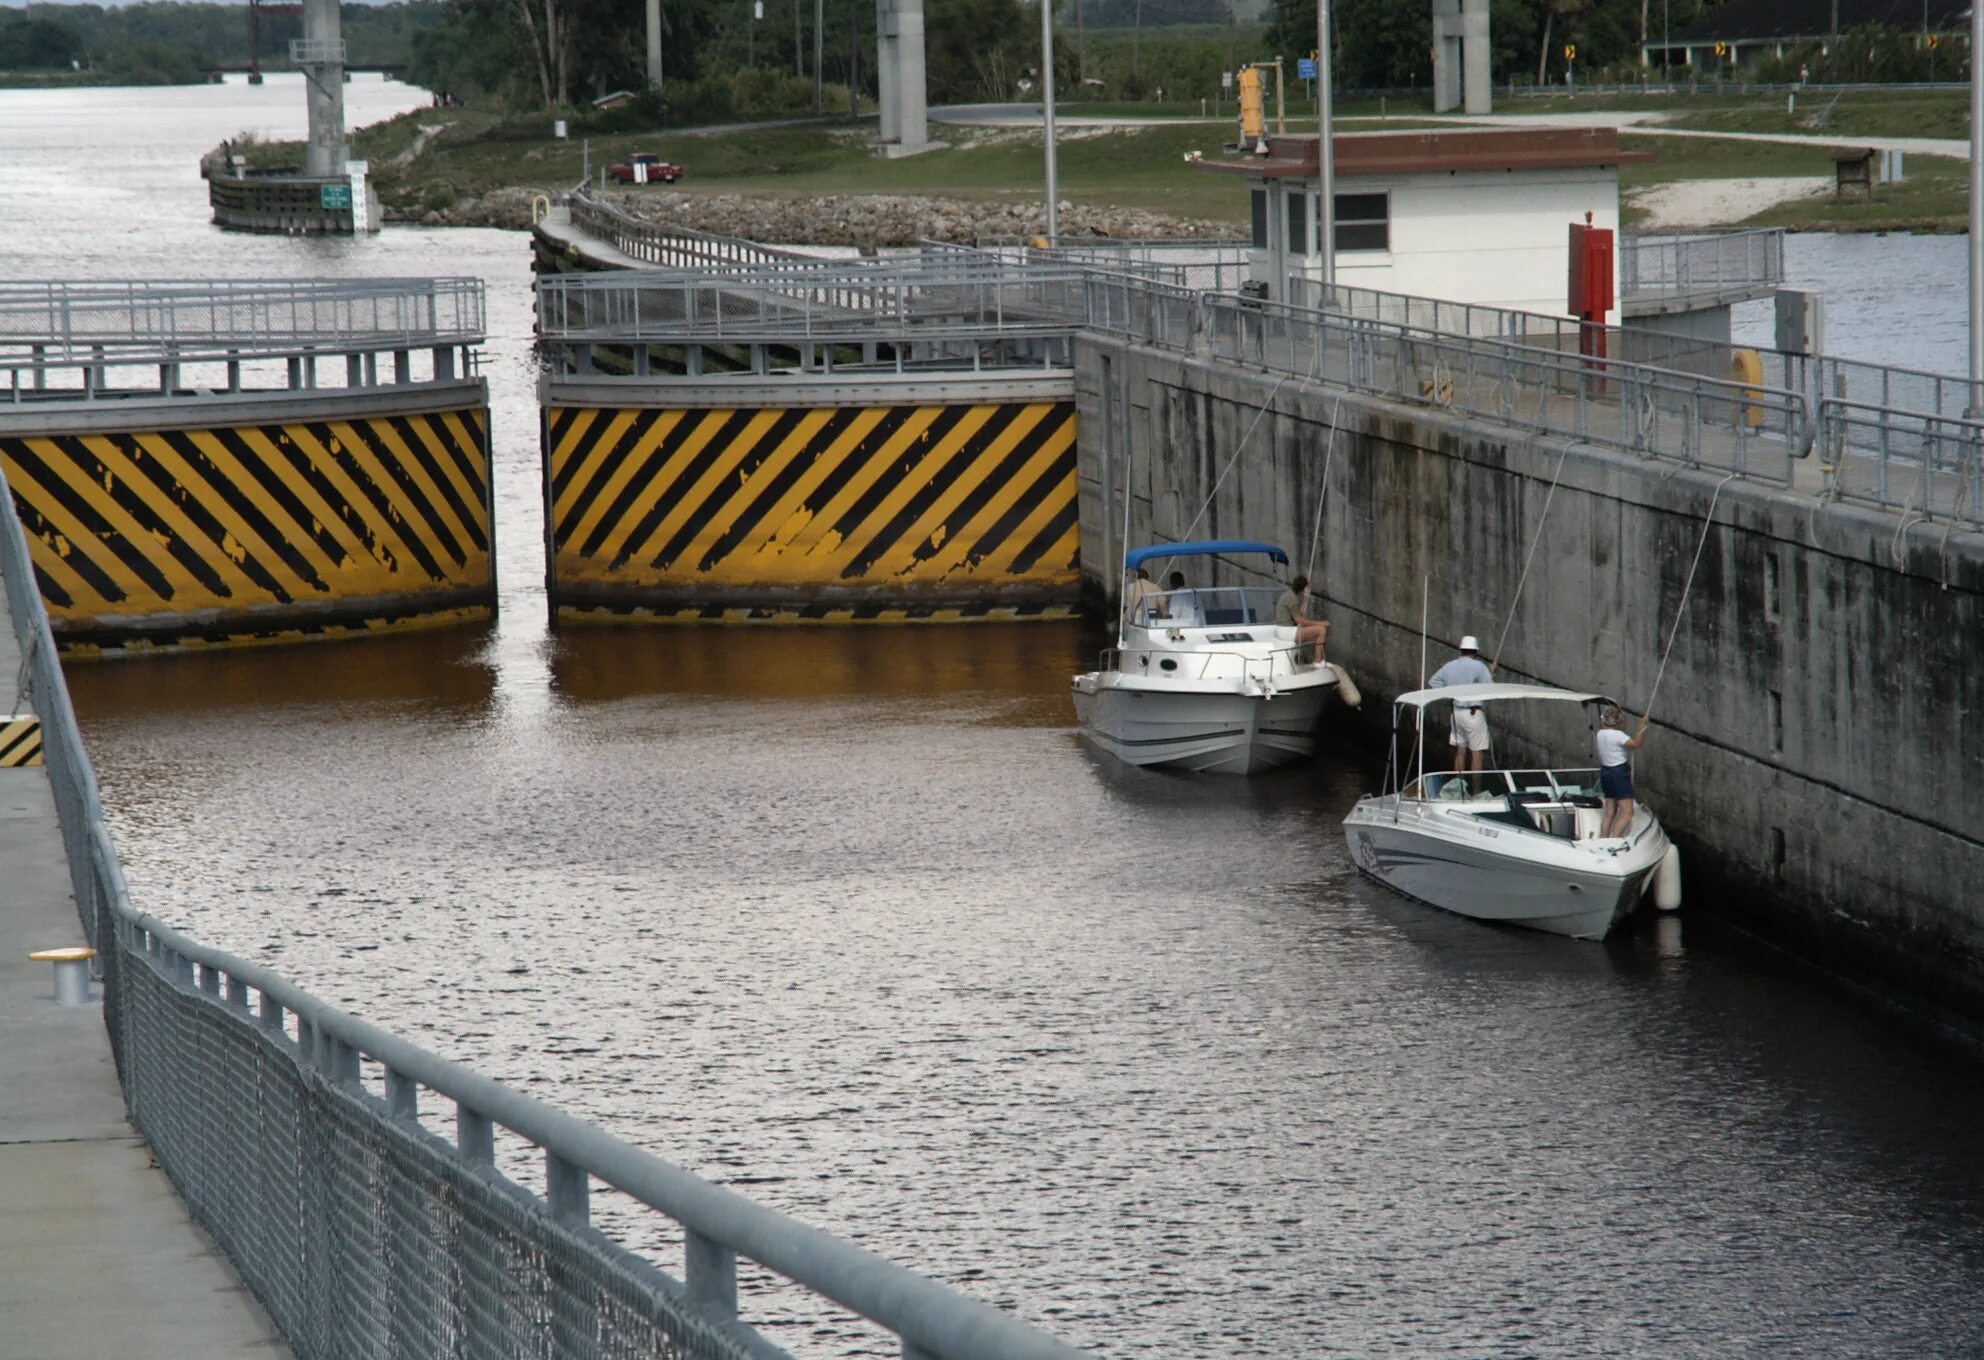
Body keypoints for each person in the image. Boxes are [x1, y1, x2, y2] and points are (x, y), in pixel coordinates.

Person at [1427, 635, 1496, 773]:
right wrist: (1492, 673)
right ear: (1475, 651)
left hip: (1456, 712)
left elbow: (1433, 682)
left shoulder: (1449, 666)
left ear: (1461, 650)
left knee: (1460, 751)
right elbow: (1490, 688)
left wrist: (1450, 694)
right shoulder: (1479, 666)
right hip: (1473, 713)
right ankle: (1476, 791)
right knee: (1477, 754)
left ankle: (1459, 790)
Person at [1595, 705, 1651, 839]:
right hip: (1618, 773)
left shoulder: (1600, 734)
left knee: (1609, 813)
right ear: (1617, 720)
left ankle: (1603, 839)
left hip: (1605, 772)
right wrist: (1642, 728)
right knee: (1627, 813)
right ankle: (1613, 839)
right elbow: (1636, 744)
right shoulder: (1618, 735)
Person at [1273, 574, 1330, 664]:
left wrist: (1306, 597)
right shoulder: (1292, 599)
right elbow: (1300, 621)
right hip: (1287, 631)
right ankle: (1318, 660)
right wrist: (1321, 623)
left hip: (1284, 630)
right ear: (1303, 588)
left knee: (1317, 630)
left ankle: (1317, 659)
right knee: (1321, 630)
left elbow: (1301, 613)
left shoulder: (1289, 595)